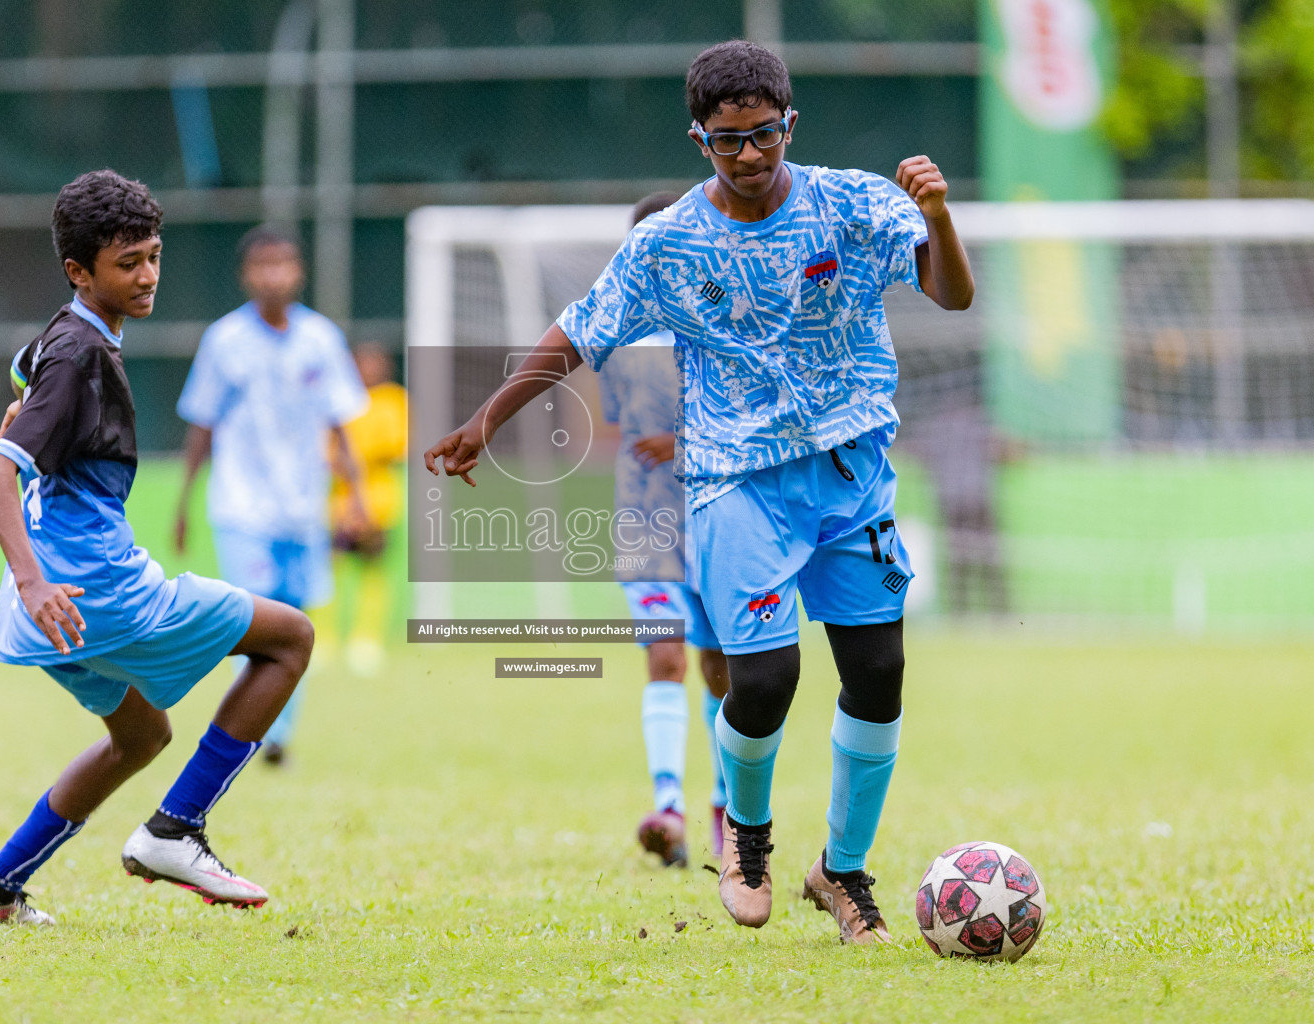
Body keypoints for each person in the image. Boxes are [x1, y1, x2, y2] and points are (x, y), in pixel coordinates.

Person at [425, 41, 974, 944]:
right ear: (699, 139)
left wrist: (939, 217)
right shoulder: (668, 242)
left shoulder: (856, 202)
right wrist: (488, 418)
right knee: (765, 680)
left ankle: (844, 873)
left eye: (764, 135)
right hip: (736, 485)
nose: (750, 155)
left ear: (790, 123)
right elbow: (576, 333)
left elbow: (949, 294)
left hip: (853, 476)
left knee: (878, 676)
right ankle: (746, 837)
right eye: (729, 142)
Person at [0, 170, 315, 925]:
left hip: (52, 609)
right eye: (127, 263)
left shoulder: (62, 335)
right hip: (96, 593)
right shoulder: (80, 354)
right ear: (80, 271)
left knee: (141, 734)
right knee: (289, 640)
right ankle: (176, 829)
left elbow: (25, 374)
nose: (146, 276)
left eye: (153, 256)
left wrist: (25, 406)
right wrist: (32, 580)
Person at [173, 224, 369, 767]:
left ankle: (279, 730)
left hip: (303, 509)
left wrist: (356, 499)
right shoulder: (223, 342)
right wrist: (184, 504)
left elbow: (342, 426)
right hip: (241, 507)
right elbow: (201, 427)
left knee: (295, 625)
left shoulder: (321, 340)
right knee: (249, 618)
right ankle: (251, 735)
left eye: (282, 263)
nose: (273, 275)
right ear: (245, 275)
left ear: (299, 270)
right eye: (262, 265)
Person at [599, 192, 730, 867]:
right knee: (667, 658)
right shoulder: (614, 338)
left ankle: (726, 809)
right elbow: (612, 427)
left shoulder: (724, 327)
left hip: (721, 524)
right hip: (646, 528)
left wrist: (686, 446)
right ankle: (670, 807)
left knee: (722, 672)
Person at [327, 343, 406, 677]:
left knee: (373, 571)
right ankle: (325, 639)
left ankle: (367, 640)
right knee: (329, 572)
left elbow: (397, 447)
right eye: (362, 363)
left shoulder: (393, 400)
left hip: (379, 503)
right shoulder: (338, 400)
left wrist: (356, 461)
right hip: (338, 505)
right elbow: (326, 451)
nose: (368, 370)